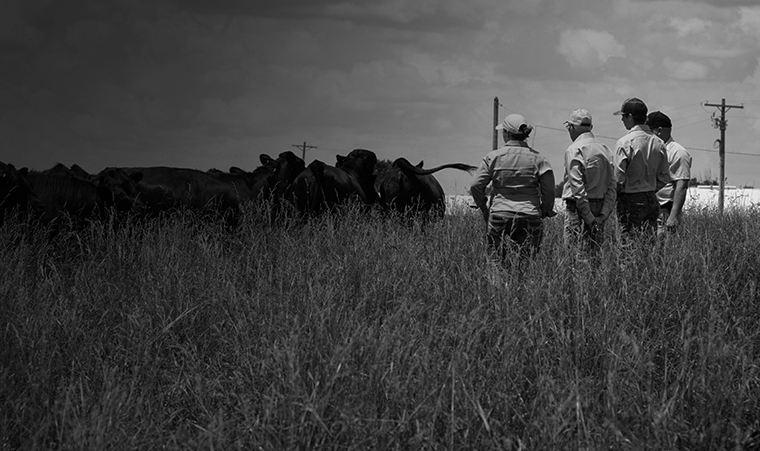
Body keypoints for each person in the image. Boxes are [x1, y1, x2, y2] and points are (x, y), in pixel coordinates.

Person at [471, 113, 555, 262]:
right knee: (526, 264)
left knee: (496, 263)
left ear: (507, 134)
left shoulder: (493, 157)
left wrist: (484, 208)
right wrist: (544, 210)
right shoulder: (539, 159)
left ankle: (499, 285)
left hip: (499, 212)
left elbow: (476, 185)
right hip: (530, 214)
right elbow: (549, 191)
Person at [612, 98, 670, 240]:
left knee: (628, 246)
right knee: (648, 244)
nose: (622, 120)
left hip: (630, 199)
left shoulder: (625, 142)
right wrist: (649, 188)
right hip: (651, 197)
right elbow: (664, 177)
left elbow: (618, 179)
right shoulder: (659, 142)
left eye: (623, 116)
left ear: (630, 117)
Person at [561, 108, 617, 251]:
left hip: (578, 210)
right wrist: (603, 215)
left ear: (571, 127)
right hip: (599, 208)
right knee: (595, 256)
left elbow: (577, 188)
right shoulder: (605, 149)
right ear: (590, 127)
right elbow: (612, 185)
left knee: (575, 256)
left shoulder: (574, 150)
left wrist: (589, 217)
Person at [647, 111, 692, 236]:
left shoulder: (678, 153)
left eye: (650, 131)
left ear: (659, 131)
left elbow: (681, 186)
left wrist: (673, 217)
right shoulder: (653, 150)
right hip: (651, 210)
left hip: (665, 211)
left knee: (663, 250)